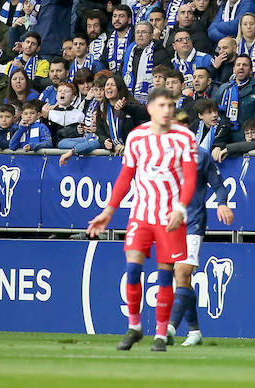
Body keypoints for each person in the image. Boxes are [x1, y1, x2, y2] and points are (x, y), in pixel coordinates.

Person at [86, 87, 198, 352]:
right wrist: (108, 211)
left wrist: (181, 208)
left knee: (164, 276)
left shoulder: (184, 137)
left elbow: (191, 178)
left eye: (170, 106)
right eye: (162, 105)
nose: (167, 110)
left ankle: (160, 333)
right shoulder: (137, 137)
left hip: (170, 216)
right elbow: (126, 176)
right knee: (133, 269)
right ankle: (134, 327)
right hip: (142, 214)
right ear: (150, 108)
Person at [166, 141, 235, 346]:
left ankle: (170, 327)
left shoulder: (200, 156)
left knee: (182, 273)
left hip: (193, 222)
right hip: (170, 223)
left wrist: (222, 203)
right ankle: (195, 332)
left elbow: (219, 186)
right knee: (182, 281)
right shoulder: (160, 154)